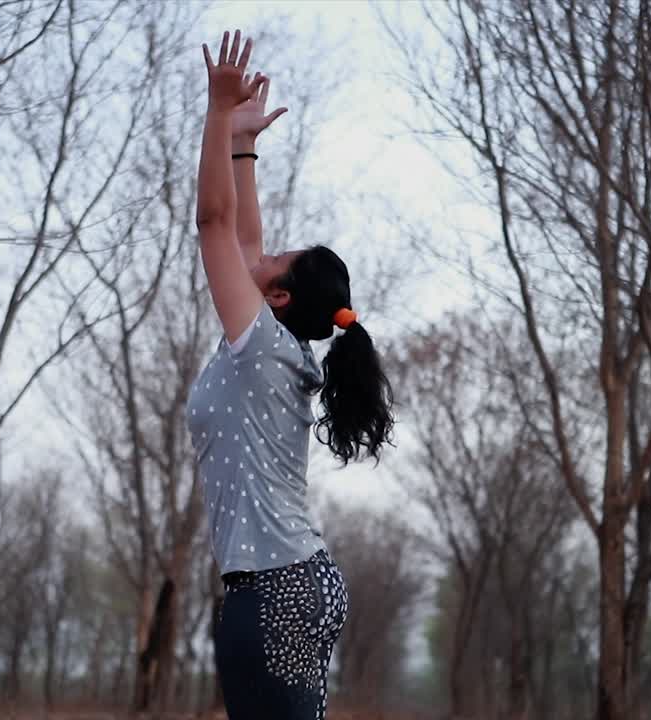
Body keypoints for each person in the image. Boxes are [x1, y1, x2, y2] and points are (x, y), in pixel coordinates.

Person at [186, 29, 395, 720]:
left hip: (275, 592)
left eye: (277, 259)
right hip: (292, 585)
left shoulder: (260, 348)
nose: (263, 250)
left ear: (276, 298)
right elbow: (244, 240)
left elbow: (217, 225)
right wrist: (245, 144)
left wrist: (217, 114)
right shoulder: (274, 347)